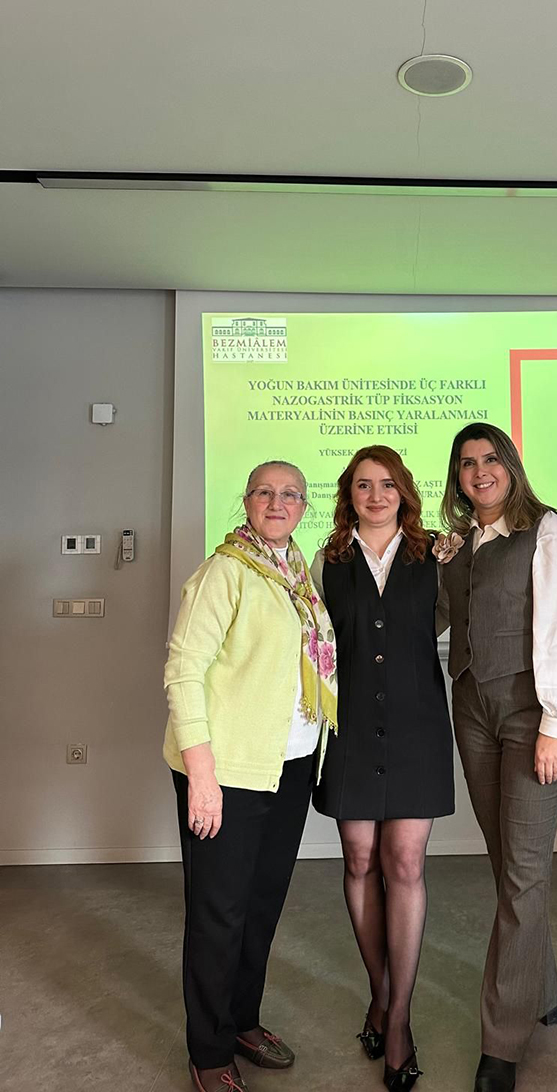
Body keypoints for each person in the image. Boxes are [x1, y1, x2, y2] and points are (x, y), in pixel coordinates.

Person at [163, 460, 338, 1092]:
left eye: (291, 494)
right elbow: (183, 671)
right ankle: (209, 1052)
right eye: (265, 491)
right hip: (227, 773)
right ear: (247, 500)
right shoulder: (225, 571)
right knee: (219, 913)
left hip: (288, 766)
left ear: (304, 507)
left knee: (260, 906)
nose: (278, 501)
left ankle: (241, 1020)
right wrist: (202, 776)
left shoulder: (297, 575)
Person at [435, 424, 557, 1092]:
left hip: (533, 716)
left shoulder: (546, 532)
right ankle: (542, 991)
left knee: (524, 874)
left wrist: (556, 722)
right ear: (457, 476)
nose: (480, 471)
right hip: (472, 709)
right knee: (509, 865)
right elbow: (437, 620)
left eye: (490, 458)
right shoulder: (460, 544)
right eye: (467, 463)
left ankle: (501, 1043)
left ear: (511, 465)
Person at [311, 445, 454, 1092]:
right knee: (360, 859)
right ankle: (379, 992)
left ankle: (398, 1019)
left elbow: (450, 622)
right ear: (349, 493)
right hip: (351, 730)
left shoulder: (438, 556)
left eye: (388, 484)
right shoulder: (328, 561)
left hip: (418, 727)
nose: (376, 495)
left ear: (404, 492)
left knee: (405, 863)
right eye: (364, 485)